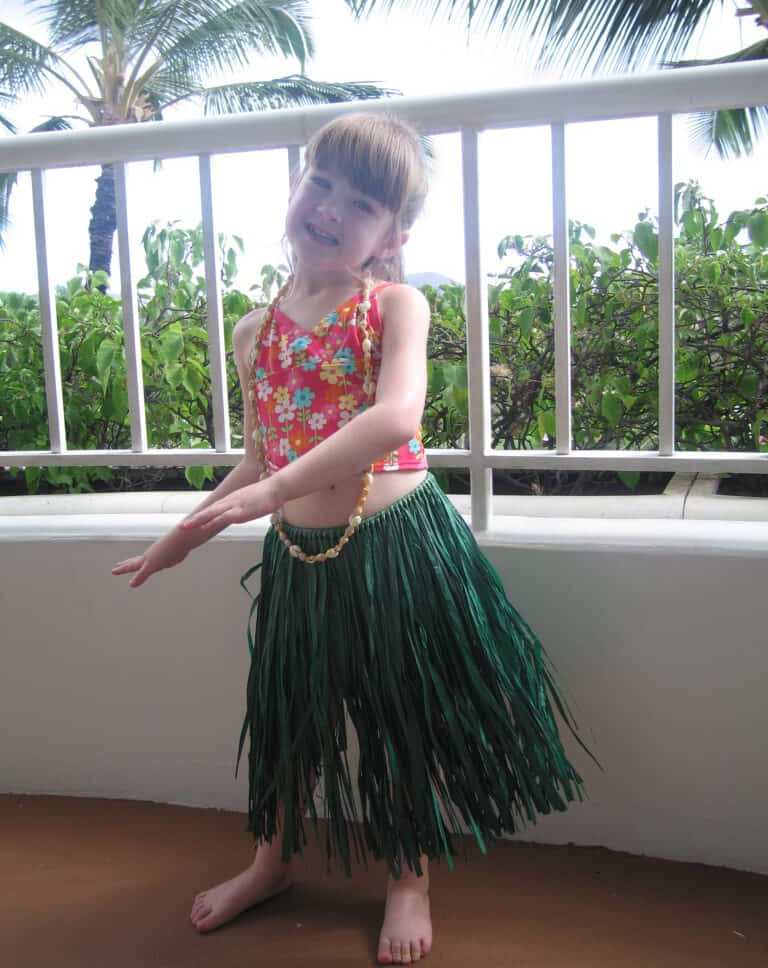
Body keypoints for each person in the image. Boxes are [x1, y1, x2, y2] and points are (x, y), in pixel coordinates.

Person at [112, 112, 595, 965]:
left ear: (394, 233)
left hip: (395, 549)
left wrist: (271, 487)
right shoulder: (254, 333)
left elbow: (395, 417)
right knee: (286, 714)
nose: (332, 209)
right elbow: (259, 457)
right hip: (298, 555)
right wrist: (180, 537)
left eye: (363, 202)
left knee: (398, 711)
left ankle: (409, 875)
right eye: (321, 185)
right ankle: (271, 860)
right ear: (296, 189)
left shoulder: (395, 305)